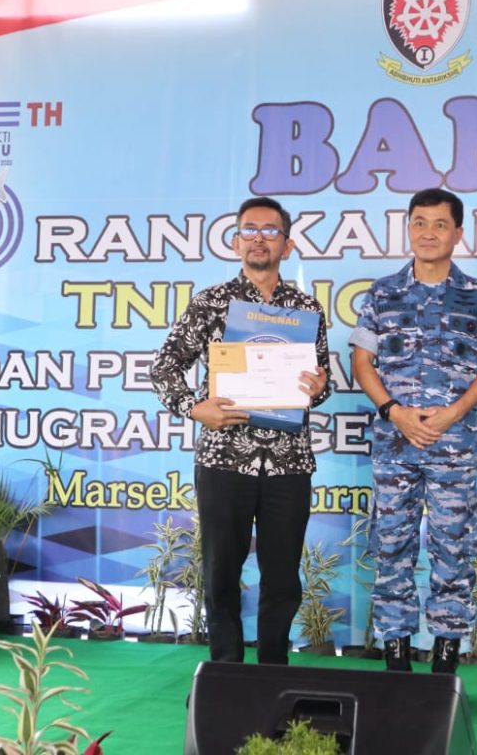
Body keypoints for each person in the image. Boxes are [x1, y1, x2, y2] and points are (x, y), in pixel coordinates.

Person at [150, 196, 330, 665]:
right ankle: (226, 671)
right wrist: (195, 409)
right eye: (249, 229)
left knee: (283, 577)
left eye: (270, 231)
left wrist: (319, 386)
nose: (258, 238)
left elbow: (320, 383)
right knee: (221, 573)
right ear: (235, 242)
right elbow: (164, 367)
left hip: (289, 463)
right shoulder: (211, 303)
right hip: (224, 459)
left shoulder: (306, 309)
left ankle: (273, 669)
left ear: (287, 245)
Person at [349, 188, 477, 674]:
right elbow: (362, 361)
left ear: (457, 233)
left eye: (439, 224)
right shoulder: (382, 293)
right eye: (419, 222)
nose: (428, 233)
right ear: (409, 229)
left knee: (453, 548)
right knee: (391, 546)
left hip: (452, 444)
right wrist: (393, 411)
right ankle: (396, 659)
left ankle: (444, 661)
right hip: (394, 444)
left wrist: (454, 412)